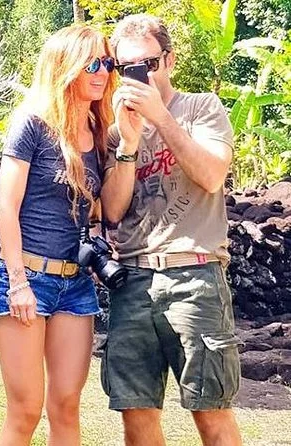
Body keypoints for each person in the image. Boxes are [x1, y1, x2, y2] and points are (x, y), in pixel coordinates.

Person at [100, 14, 243, 446]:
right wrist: (128, 144)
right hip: (132, 278)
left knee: (211, 410)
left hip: (194, 274)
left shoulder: (202, 108)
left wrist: (161, 118)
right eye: (127, 67)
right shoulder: (116, 131)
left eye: (148, 64)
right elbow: (112, 211)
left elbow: (212, 175)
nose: (139, 75)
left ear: (169, 60)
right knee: (135, 414)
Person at [0, 24, 115, 445]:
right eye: (91, 64)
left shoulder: (98, 132)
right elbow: (6, 208)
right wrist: (18, 284)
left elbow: (98, 209)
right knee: (25, 410)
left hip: (75, 285)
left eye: (107, 63)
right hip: (26, 277)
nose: (102, 72)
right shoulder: (31, 124)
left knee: (66, 406)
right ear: (66, 67)